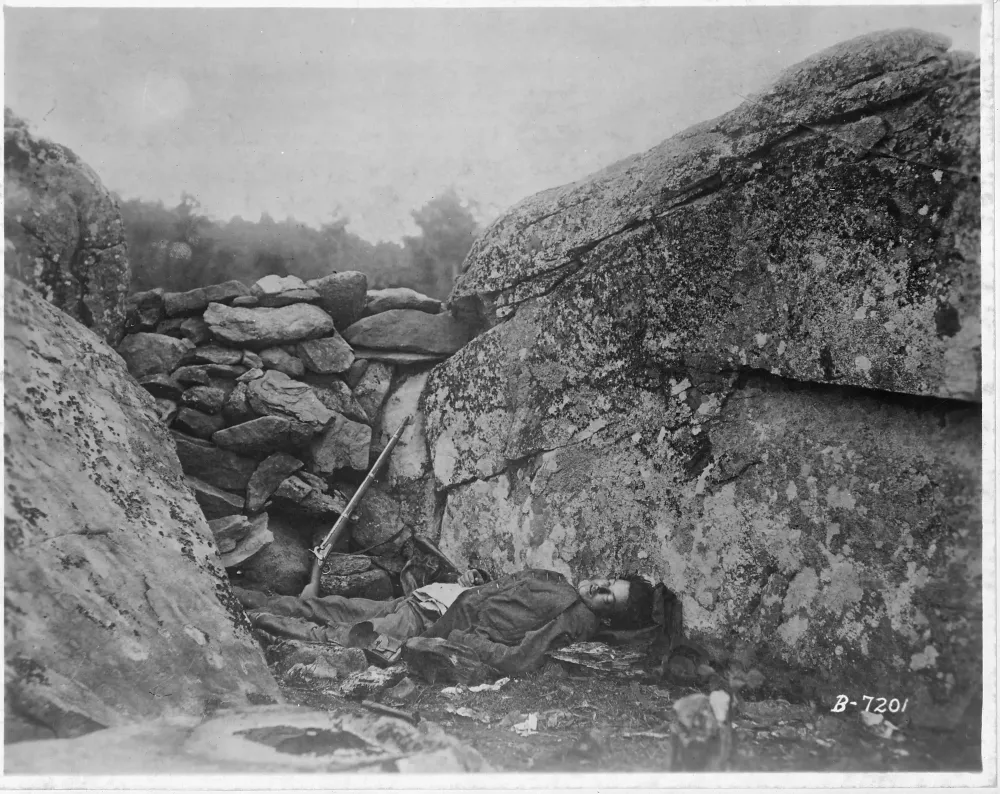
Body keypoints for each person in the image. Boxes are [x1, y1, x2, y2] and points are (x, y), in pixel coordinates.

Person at [235, 568, 655, 676]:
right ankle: (227, 593)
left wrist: (464, 640)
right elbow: (507, 600)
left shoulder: (575, 618)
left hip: (427, 625)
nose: (598, 585)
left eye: (607, 597)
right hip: (430, 598)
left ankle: (249, 619)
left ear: (606, 616)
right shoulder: (562, 583)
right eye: (608, 580)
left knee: (335, 633)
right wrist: (478, 581)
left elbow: (521, 658)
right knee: (329, 605)